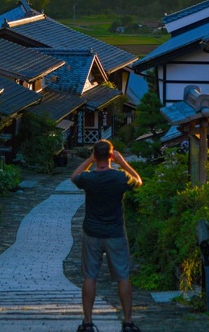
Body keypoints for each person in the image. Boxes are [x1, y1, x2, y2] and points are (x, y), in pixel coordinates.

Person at [70, 139, 143, 332]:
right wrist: (123, 162)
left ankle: (87, 323)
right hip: (115, 233)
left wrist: (88, 160)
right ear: (111, 156)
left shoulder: (89, 178)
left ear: (95, 156)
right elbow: (139, 181)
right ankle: (127, 322)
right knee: (122, 276)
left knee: (90, 277)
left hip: (92, 232)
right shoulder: (120, 177)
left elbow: (74, 176)